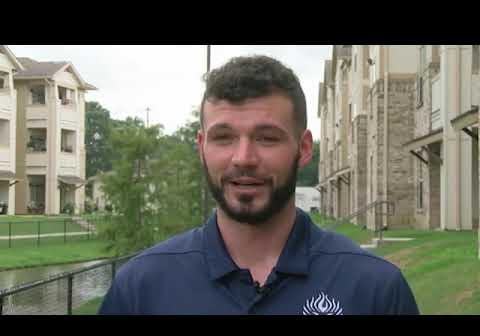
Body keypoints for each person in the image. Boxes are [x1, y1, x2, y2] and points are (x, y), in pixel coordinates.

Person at [99, 55, 419, 315]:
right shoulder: (140, 289)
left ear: (304, 148)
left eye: (267, 138)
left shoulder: (374, 290)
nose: (243, 158)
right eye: (224, 138)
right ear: (201, 147)